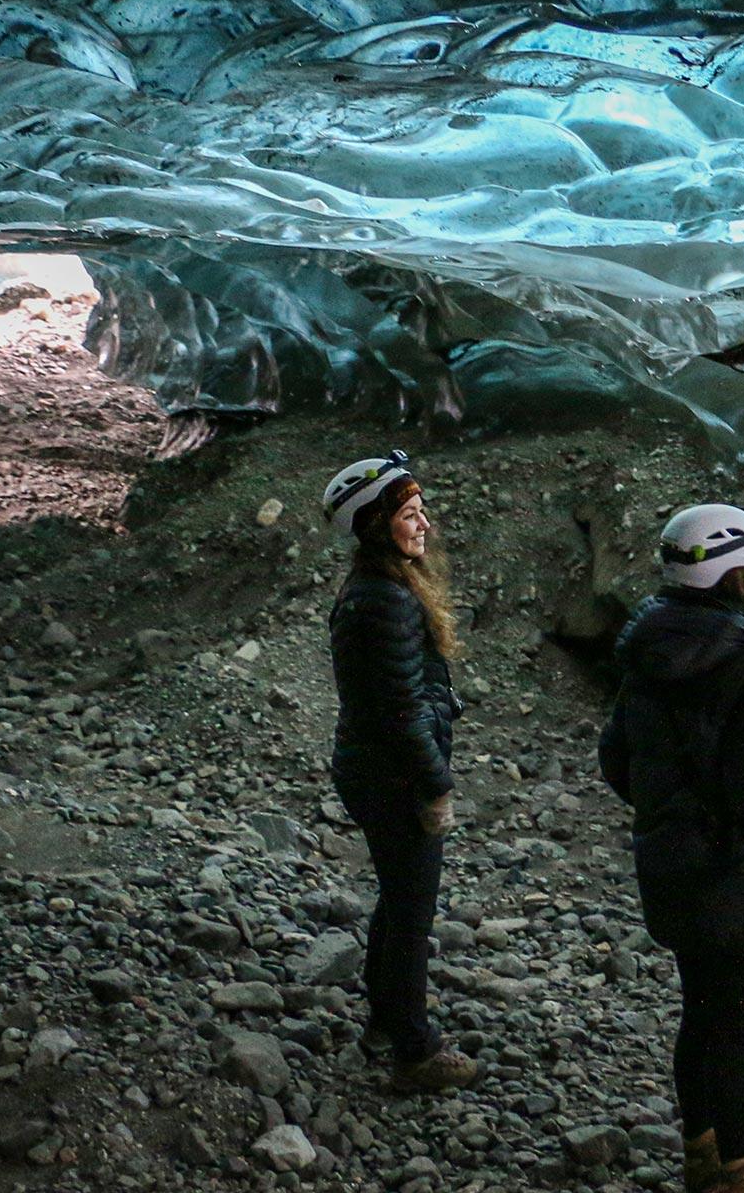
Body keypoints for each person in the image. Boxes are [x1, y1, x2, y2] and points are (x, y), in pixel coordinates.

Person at [600, 504, 744, 1193]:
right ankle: (741, 1173)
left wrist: (672, 809)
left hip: (672, 862)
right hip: (739, 872)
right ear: (741, 572)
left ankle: (701, 1152)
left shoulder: (649, 652)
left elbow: (617, 759)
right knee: (734, 1029)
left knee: (700, 1014)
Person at [322, 450, 479, 1092]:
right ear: (376, 525)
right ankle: (414, 1052)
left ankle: (386, 1023)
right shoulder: (384, 601)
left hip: (375, 771)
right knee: (413, 915)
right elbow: (402, 712)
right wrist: (436, 787)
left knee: (398, 899)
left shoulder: (380, 590)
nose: (425, 525)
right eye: (411, 515)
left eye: (421, 511)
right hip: (391, 778)